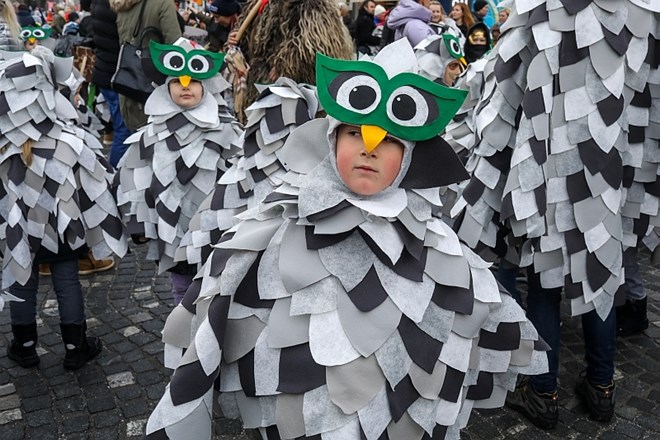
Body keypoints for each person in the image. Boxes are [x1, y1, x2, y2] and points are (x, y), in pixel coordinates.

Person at [145, 38, 547, 439]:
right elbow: (217, 305)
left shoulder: (438, 243)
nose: (369, 147)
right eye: (355, 133)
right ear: (332, 139)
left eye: (389, 140)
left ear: (409, 159)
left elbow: (476, 314)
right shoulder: (274, 225)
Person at [448, 0, 659, 431]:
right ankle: (600, 389)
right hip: (610, 172)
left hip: (547, 172)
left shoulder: (540, 9)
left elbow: (504, 86)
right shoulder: (647, 16)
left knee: (545, 286)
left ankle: (544, 393)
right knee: (599, 274)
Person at [1, 46, 128, 371]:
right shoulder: (71, 139)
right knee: (67, 281)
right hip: (64, 228)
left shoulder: (4, 146)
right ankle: (75, 347)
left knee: (21, 280)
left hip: (21, 231)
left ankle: (25, 346)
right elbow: (94, 187)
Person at [115, 38, 243, 305]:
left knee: (217, 289)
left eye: (194, 81)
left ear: (206, 86)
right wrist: (139, 224)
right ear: (166, 87)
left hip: (216, 230)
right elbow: (136, 176)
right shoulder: (152, 134)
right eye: (177, 81)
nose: (185, 86)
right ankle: (183, 337)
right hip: (172, 231)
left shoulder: (228, 131)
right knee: (182, 289)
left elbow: (242, 173)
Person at [111, 0, 182, 132]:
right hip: (155, 90)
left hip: (129, 85)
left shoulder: (121, 4)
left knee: (135, 143)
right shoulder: (162, 3)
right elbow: (176, 48)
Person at [91, 0, 132, 169]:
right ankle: (113, 173)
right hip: (115, 74)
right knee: (123, 129)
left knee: (120, 126)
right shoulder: (117, 6)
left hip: (105, 70)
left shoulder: (99, 3)